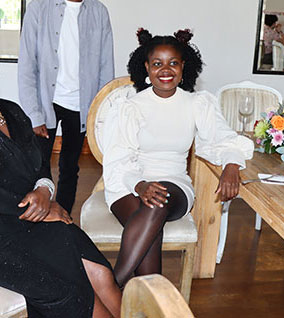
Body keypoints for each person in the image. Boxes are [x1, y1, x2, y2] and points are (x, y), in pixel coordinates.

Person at [0, 32, 121, 318]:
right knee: (66, 291)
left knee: (101, 273)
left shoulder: (13, 111)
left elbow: (40, 163)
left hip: (32, 218)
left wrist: (45, 190)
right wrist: (38, 210)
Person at [101, 28, 254, 288]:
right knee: (151, 229)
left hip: (175, 184)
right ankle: (147, 302)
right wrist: (139, 184)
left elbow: (222, 139)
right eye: (157, 63)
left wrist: (231, 164)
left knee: (157, 203)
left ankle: (112, 285)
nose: (166, 70)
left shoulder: (197, 103)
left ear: (184, 67)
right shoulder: (130, 107)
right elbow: (118, 159)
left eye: (173, 63)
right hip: (127, 184)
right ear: (146, 68)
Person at [18, 0, 114, 214]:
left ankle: (63, 217)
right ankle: (34, 216)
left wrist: (99, 113)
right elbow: (27, 65)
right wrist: (34, 114)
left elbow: (106, 66)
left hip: (82, 105)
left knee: (71, 167)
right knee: (38, 165)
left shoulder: (99, 12)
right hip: (46, 101)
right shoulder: (38, 8)